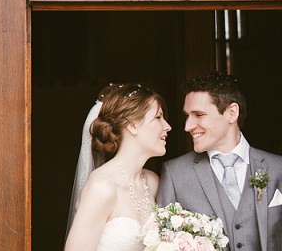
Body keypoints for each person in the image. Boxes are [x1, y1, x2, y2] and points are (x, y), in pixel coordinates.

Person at [157, 72, 282, 251]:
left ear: (231, 113)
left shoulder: (278, 168)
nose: (187, 126)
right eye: (187, 116)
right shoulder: (175, 174)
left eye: (199, 115)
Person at [65, 83, 172, 251]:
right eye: (158, 117)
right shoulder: (102, 186)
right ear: (132, 125)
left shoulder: (152, 182)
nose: (167, 127)